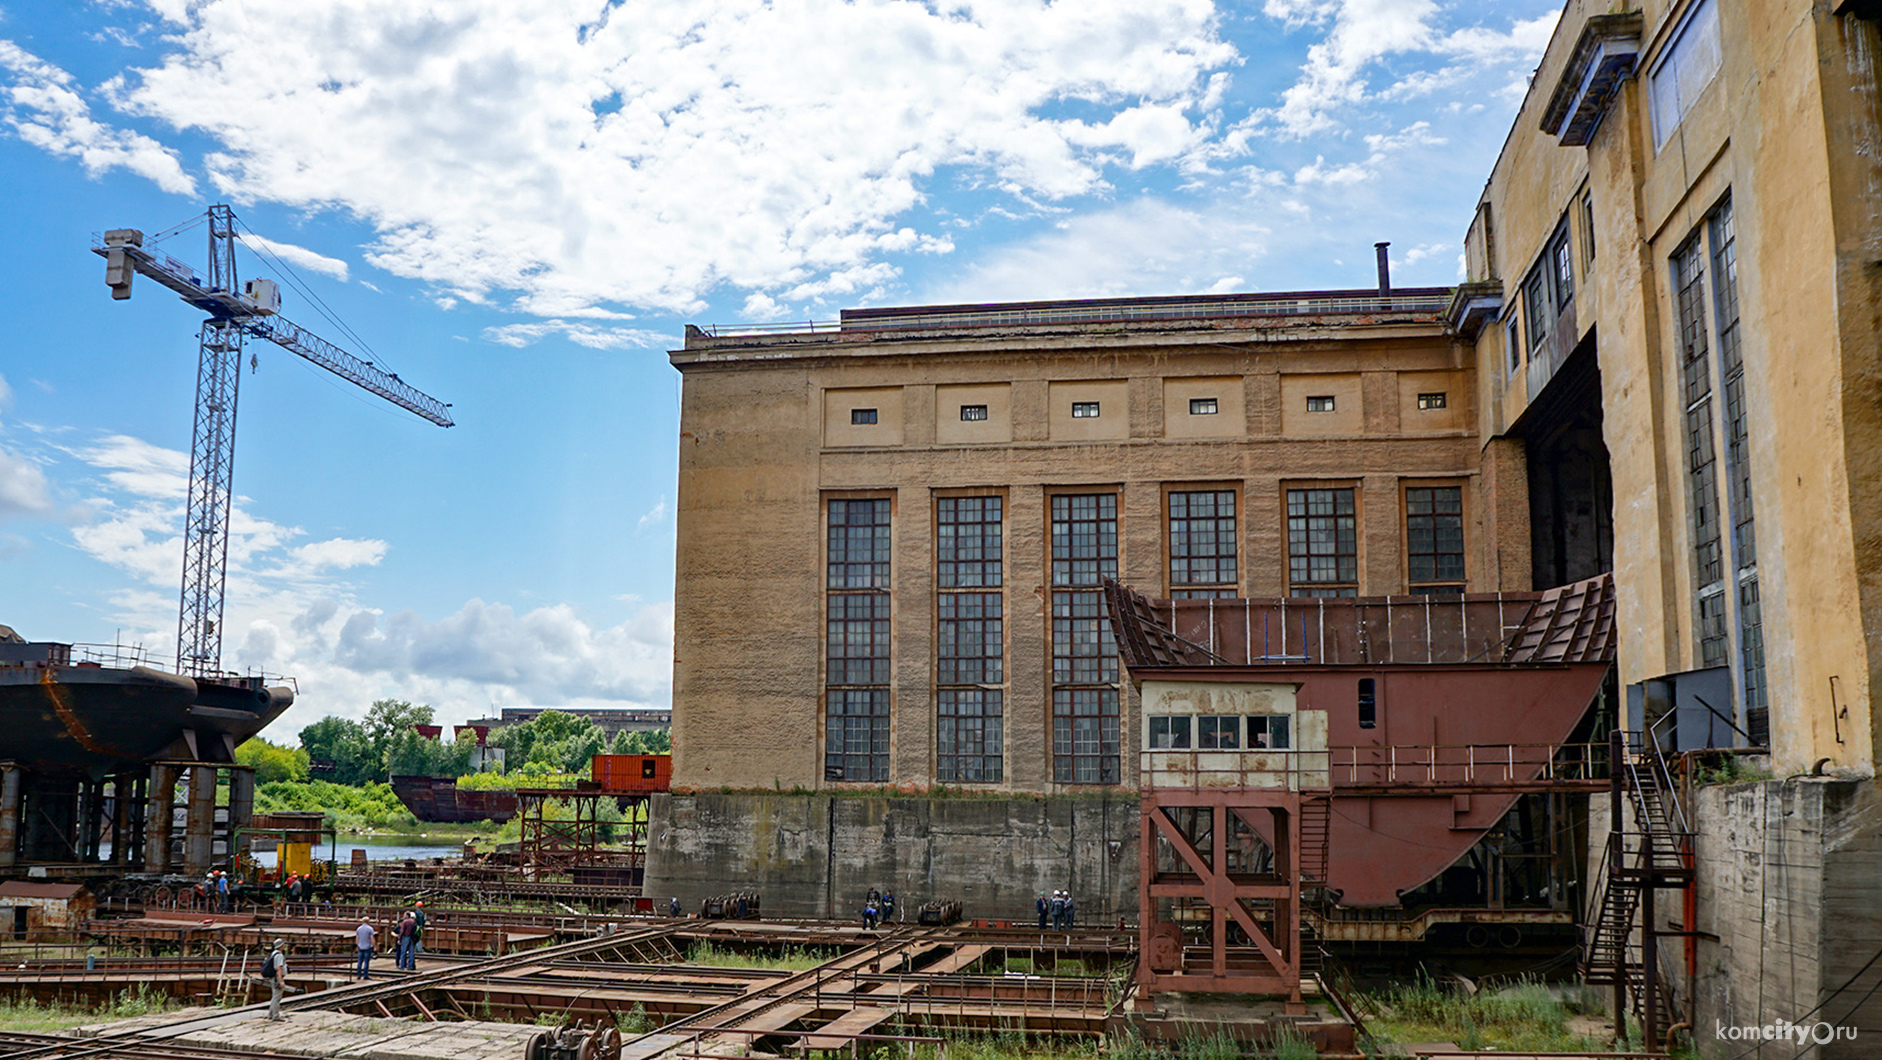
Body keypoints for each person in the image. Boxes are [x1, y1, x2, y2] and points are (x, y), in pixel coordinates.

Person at [262, 938, 287, 1021]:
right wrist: (281, 981)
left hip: (273, 978)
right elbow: (278, 968)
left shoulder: (273, 953)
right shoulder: (279, 955)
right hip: (277, 978)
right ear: (281, 946)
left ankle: (271, 1014)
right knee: (277, 997)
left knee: (274, 996)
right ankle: (275, 1016)